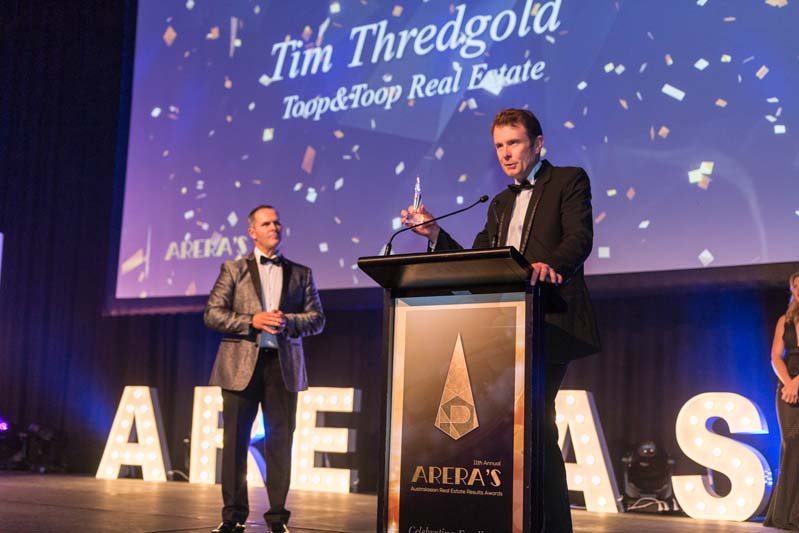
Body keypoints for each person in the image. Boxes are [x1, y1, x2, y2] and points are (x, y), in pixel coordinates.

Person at [401, 108, 601, 532]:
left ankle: (553, 527)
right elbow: (477, 262)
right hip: (501, 329)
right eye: (499, 146)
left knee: (536, 425)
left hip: (548, 320)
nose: (506, 153)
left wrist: (551, 266)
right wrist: (435, 234)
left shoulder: (568, 181)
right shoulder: (499, 203)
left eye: (514, 143)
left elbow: (579, 237)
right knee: (503, 431)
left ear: (537, 144)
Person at [204, 205, 325, 533]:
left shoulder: (301, 273)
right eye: (266, 223)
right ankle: (232, 516)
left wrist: (289, 321)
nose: (274, 227)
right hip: (240, 366)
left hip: (281, 367)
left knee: (280, 443)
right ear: (252, 232)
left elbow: (317, 319)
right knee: (235, 443)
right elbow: (212, 313)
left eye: (277, 222)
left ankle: (277, 518)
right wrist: (252, 321)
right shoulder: (233, 269)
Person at [764, 271, 799, 530]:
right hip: (787, 388)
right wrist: (789, 383)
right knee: (790, 443)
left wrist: (798, 382)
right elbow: (776, 357)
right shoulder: (784, 321)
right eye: (796, 286)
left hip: (796, 384)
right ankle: (784, 514)